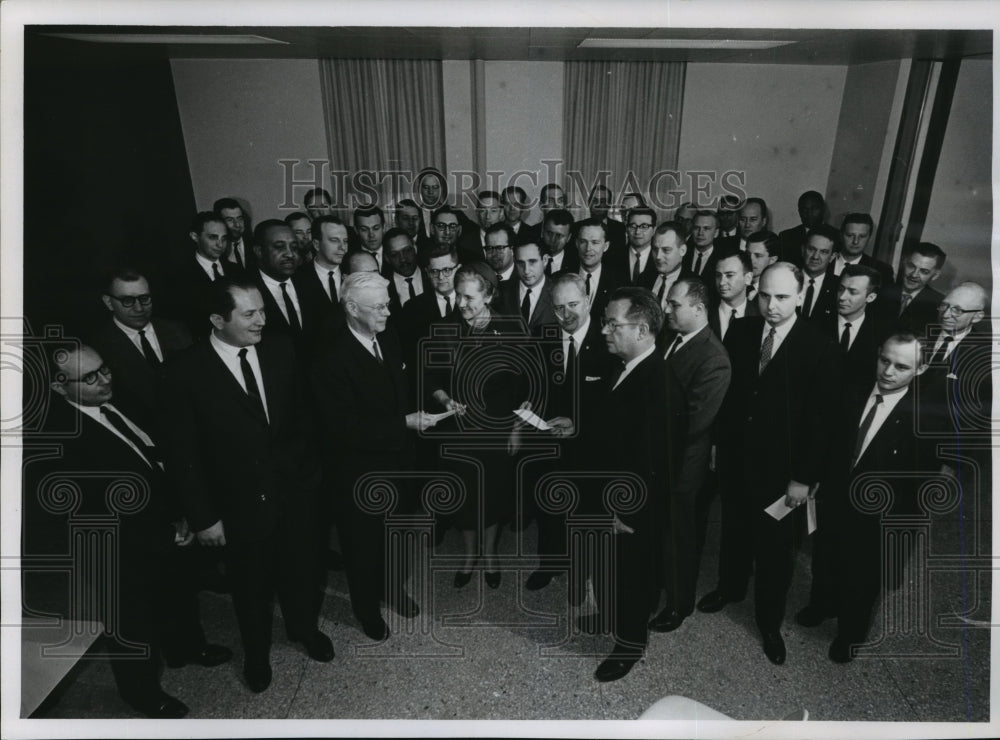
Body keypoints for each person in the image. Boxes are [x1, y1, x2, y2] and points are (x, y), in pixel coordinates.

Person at [25, 344, 232, 717]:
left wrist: (183, 515)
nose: (105, 380)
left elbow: (157, 454)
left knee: (177, 591)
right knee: (131, 622)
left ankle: (186, 647)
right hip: (119, 548)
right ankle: (141, 693)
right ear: (59, 387)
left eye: (104, 369)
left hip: (168, 525)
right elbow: (91, 514)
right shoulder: (56, 440)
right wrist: (164, 534)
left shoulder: (117, 398)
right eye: (90, 377)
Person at [160, 277, 333, 693]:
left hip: (294, 494)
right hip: (237, 507)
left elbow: (303, 419)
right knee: (250, 588)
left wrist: (309, 478)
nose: (262, 321)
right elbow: (182, 455)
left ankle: (304, 629)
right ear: (217, 319)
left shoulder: (281, 348)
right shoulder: (183, 371)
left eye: (263, 310)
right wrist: (203, 517)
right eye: (250, 313)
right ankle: (257, 654)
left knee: (302, 571)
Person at [704, 262, 841, 665]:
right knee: (734, 530)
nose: (772, 305)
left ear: (800, 296)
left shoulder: (819, 345)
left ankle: (768, 622)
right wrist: (718, 444)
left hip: (783, 473)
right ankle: (729, 589)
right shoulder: (743, 331)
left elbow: (821, 422)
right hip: (737, 458)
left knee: (776, 552)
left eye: (782, 297)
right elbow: (730, 398)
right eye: (765, 296)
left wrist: (803, 478)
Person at [311, 272, 433, 641]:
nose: (387, 312)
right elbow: (344, 428)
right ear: (351, 308)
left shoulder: (388, 336)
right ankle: (366, 610)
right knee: (362, 545)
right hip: (359, 473)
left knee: (397, 535)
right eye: (378, 307)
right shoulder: (331, 359)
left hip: (399, 462)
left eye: (387, 304)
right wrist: (405, 422)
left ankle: (392, 588)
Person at [579, 287, 683, 682]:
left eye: (612, 324)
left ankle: (629, 644)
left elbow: (657, 464)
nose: (604, 330)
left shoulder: (660, 384)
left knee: (632, 577)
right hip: (608, 496)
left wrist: (625, 513)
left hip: (630, 509)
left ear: (641, 330)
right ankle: (609, 616)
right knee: (609, 569)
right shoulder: (624, 365)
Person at [822, 333, 940, 663]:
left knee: (862, 579)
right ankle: (822, 604)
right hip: (835, 496)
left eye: (901, 367)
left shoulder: (923, 418)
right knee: (827, 555)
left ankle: (850, 635)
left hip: (878, 515)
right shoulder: (853, 390)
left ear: (920, 369)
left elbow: (919, 487)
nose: (888, 372)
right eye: (884, 361)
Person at [426, 263, 524, 590]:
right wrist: (445, 400)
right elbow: (431, 379)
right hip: (457, 431)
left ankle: (491, 553)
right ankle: (469, 555)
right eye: (458, 296)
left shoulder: (511, 329)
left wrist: (516, 429)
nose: (461, 303)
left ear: (489, 296)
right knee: (464, 496)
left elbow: (521, 387)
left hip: (497, 430)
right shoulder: (444, 328)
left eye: (469, 297)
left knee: (493, 494)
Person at [522, 272, 614, 593]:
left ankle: (583, 571)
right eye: (559, 308)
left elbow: (614, 403)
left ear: (588, 300)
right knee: (549, 507)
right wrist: (532, 406)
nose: (567, 314)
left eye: (573, 304)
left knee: (586, 510)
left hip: (592, 446)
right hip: (550, 443)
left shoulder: (609, 340)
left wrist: (579, 424)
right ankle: (549, 564)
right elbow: (533, 386)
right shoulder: (542, 336)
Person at [649, 277, 731, 632]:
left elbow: (695, 422)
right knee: (658, 532)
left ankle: (678, 605)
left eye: (674, 304)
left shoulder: (714, 358)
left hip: (682, 465)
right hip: (658, 457)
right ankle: (654, 588)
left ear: (698, 309)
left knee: (678, 538)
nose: (666, 309)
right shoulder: (671, 338)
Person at [90, 267, 193, 428]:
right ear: (109, 302)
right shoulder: (98, 349)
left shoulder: (178, 331)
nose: (139, 308)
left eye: (144, 298)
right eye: (127, 301)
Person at [877, 242, 947, 336]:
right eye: (911, 266)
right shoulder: (881, 291)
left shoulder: (939, 305)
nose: (914, 275)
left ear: (935, 275)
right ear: (905, 262)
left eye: (924, 271)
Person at [575, 218, 626, 322]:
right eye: (583, 241)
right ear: (577, 244)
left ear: (606, 246)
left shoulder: (620, 283)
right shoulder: (560, 278)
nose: (588, 248)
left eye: (595, 242)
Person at [498, 241, 555, 333]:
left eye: (532, 262)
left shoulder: (558, 293)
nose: (526, 270)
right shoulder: (501, 291)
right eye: (520, 263)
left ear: (545, 260)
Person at [833, 213, 894, 286]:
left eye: (862, 236)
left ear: (870, 239)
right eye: (850, 235)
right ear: (841, 235)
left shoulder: (882, 271)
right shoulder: (825, 260)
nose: (855, 241)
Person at [710, 251, 759, 341]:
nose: (721, 282)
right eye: (718, 275)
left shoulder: (760, 315)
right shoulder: (704, 313)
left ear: (748, 278)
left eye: (729, 275)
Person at [799, 223, 840, 322]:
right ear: (803, 250)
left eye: (823, 252)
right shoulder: (787, 278)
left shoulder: (838, 287)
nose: (815, 257)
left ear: (832, 257)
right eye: (811, 249)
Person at [383, 227, 430, 312]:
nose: (403, 259)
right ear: (387, 258)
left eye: (407, 250)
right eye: (394, 255)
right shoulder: (383, 287)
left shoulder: (432, 276)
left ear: (415, 248)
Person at [648, 221, 690, 315]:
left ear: (682, 250)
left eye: (666, 250)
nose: (658, 256)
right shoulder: (644, 278)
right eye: (655, 249)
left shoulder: (693, 283)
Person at [778, 190, 826, 264]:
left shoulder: (836, 236)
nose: (809, 213)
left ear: (823, 209)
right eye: (804, 209)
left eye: (814, 208)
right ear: (799, 212)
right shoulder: (785, 237)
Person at [617, 207, 658, 288]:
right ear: (627, 229)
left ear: (654, 230)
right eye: (633, 226)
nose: (637, 232)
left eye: (644, 226)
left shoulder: (660, 258)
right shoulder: (613, 257)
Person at [214, 197, 254, 271]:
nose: (237, 225)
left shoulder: (256, 244)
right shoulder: (215, 250)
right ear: (219, 222)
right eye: (230, 220)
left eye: (240, 219)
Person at [540, 208, 578, 274]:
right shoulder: (530, 256)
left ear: (569, 237)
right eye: (549, 233)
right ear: (542, 231)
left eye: (559, 235)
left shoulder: (576, 263)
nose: (553, 240)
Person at [352, 205, 388, 273]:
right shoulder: (349, 257)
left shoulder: (393, 252)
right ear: (356, 230)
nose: (371, 235)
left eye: (376, 228)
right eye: (364, 229)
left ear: (384, 227)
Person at [745, 229, 779, 301]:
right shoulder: (738, 285)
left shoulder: (777, 290)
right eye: (748, 254)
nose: (750, 260)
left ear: (772, 260)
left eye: (758, 256)